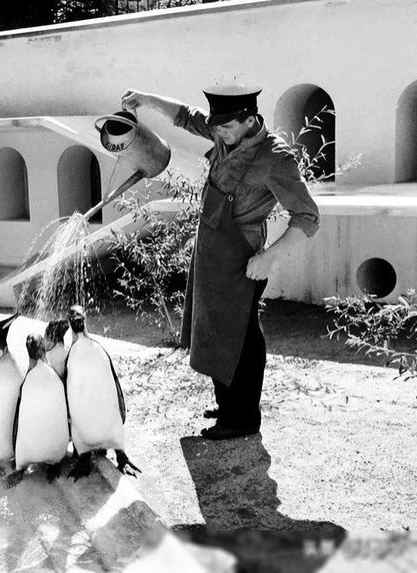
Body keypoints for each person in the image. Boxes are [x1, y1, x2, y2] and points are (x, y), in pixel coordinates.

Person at [121, 85, 320, 440]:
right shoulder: (223, 128)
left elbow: (307, 217)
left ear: (249, 119)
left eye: (227, 128)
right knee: (214, 328)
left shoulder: (276, 159)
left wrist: (268, 258)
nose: (220, 134)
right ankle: (228, 404)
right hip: (212, 246)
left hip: (241, 254)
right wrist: (147, 99)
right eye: (218, 128)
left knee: (240, 336)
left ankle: (243, 418)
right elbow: (184, 115)